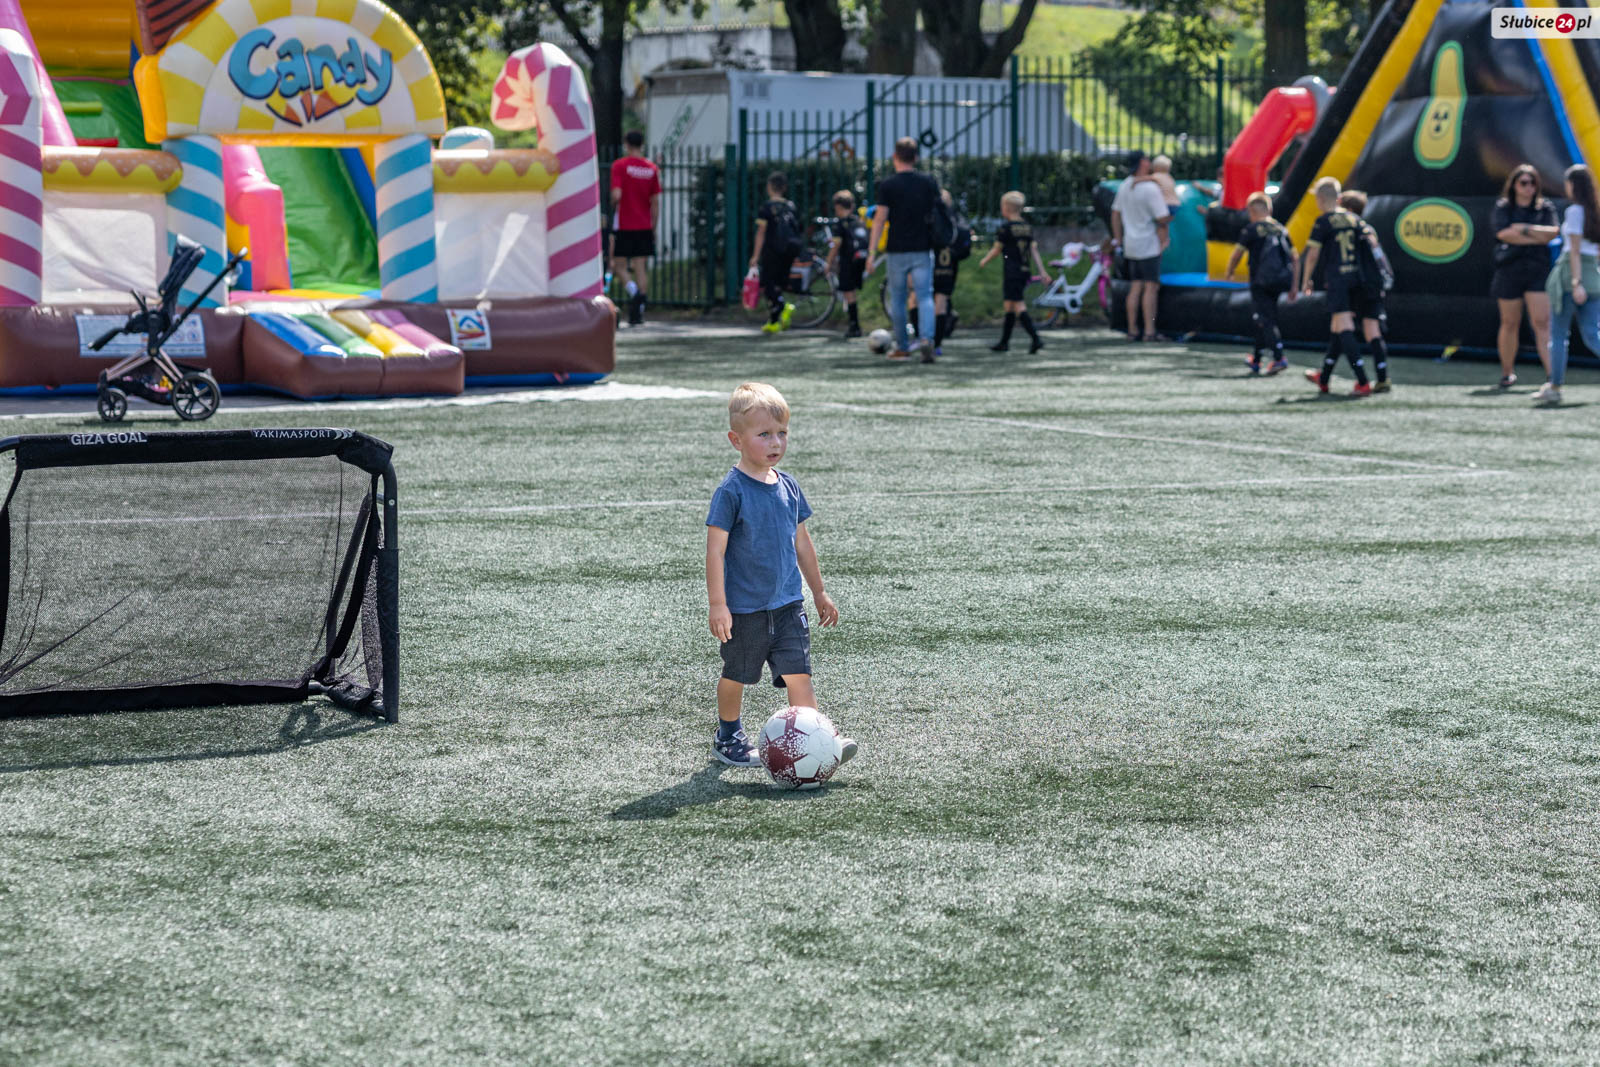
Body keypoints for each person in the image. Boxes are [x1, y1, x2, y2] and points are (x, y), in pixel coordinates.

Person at [706, 382, 854, 769]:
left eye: (782, 433)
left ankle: (816, 738)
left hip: (789, 605)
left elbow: (802, 542)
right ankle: (728, 735)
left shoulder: (789, 485)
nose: (776, 442)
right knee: (737, 675)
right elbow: (715, 550)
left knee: (799, 675)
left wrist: (819, 592)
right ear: (736, 440)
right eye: (764, 434)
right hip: (745, 610)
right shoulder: (731, 491)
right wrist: (718, 604)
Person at [1297, 177, 1376, 396]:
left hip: (1338, 279)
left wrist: (1306, 279)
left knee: (1344, 326)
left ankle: (1362, 381)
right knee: (1337, 329)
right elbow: (1372, 241)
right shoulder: (1354, 218)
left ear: (1320, 199)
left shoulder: (1324, 221)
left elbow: (1312, 254)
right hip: (1357, 280)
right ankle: (1323, 378)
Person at [866, 137, 940, 362]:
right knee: (924, 295)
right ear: (916, 157)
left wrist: (872, 253)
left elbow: (880, 219)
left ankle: (903, 346)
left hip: (897, 249)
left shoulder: (888, 185)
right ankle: (926, 339)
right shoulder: (928, 182)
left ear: (894, 157)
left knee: (898, 298)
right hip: (922, 247)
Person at [1491, 163, 1560, 389]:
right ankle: (1507, 373)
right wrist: (1535, 235)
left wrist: (1522, 229)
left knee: (1542, 322)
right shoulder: (1504, 207)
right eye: (1523, 183)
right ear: (1514, 185)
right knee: (1509, 322)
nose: (1528, 187)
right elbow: (1504, 234)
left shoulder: (1545, 208)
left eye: (1533, 183)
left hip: (1537, 271)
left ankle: (1553, 377)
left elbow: (1552, 233)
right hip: (1509, 270)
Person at [1538, 164, 1600, 406]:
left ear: (1573, 185)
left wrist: (1576, 283)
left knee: (1559, 335)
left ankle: (1554, 387)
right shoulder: (1594, 211)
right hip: (1592, 276)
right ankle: (1553, 385)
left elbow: (1574, 251)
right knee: (1592, 335)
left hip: (1572, 277)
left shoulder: (1575, 211)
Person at [1224, 191, 1295, 375]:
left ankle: (1279, 357)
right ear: (1269, 209)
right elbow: (1294, 257)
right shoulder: (1281, 229)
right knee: (1263, 318)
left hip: (1260, 281)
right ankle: (1256, 359)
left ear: (1252, 211)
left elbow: (1237, 254)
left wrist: (1229, 272)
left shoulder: (1252, 229)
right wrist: (1295, 285)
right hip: (1279, 281)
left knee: (1265, 319)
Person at [978, 190, 1051, 353]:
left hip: (1012, 272)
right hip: (1024, 271)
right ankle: (1004, 343)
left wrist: (984, 260)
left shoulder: (1006, 228)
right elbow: (1034, 251)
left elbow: (997, 249)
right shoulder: (1027, 227)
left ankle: (1036, 339)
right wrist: (1042, 271)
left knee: (1018, 305)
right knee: (1009, 306)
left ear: (1006, 208)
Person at [1110, 150, 1172, 341]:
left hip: (1131, 244)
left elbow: (1115, 213)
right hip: (1148, 244)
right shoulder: (1151, 189)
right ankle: (1150, 331)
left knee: (1136, 287)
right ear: (1142, 163)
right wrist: (1172, 216)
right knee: (1151, 288)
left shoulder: (1125, 185)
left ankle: (1132, 330)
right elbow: (1162, 217)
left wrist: (1118, 238)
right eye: (1146, 159)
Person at [1338, 189, 1395, 393]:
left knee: (1342, 327)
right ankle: (1382, 377)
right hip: (1374, 285)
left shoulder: (1349, 230)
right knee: (1373, 330)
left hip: (1359, 285)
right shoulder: (1369, 229)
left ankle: (1360, 379)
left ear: (1348, 209)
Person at [609, 131, 661, 327]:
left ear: (626, 144)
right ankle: (640, 310)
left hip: (624, 223)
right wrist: (653, 226)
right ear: (642, 144)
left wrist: (613, 203)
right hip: (644, 225)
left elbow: (617, 194)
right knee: (640, 267)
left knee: (619, 265)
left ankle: (635, 293)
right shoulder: (652, 168)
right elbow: (655, 202)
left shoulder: (620, 166)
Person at [748, 172, 801, 334]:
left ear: (770, 186)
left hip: (772, 250)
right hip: (789, 250)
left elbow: (761, 232)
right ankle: (774, 321)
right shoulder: (791, 206)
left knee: (767, 284)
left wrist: (755, 256)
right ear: (784, 188)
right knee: (779, 284)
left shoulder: (766, 207)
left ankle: (783, 307)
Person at [931, 188, 971, 356]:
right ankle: (937, 343)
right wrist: (955, 254)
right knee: (942, 299)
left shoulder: (932, 217)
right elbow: (965, 246)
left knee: (928, 298)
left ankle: (928, 338)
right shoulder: (957, 218)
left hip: (933, 262)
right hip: (949, 265)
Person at [824, 190, 868, 340]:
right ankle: (854, 324)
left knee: (849, 293)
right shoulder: (858, 221)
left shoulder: (840, 224)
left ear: (838, 207)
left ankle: (854, 325)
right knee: (852, 292)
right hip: (860, 260)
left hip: (848, 261)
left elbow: (836, 245)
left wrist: (828, 262)